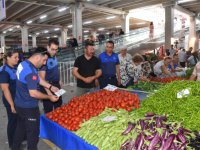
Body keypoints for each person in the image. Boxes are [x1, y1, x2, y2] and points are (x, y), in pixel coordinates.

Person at [12, 48, 59, 150]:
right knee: (33, 135)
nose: (44, 63)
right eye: (44, 60)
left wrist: (50, 87)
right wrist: (49, 97)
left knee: (20, 129)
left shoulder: (24, 64)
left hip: (19, 104)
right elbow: (33, 93)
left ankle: (14, 147)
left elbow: (38, 79)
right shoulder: (31, 71)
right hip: (29, 108)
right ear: (37, 57)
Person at [0, 50, 19, 148]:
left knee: (18, 120)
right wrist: (12, 104)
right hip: (10, 100)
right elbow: (5, 89)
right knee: (12, 121)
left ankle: (19, 138)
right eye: (15, 57)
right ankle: (12, 144)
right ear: (8, 58)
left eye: (18, 57)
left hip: (17, 99)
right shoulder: (4, 71)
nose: (17, 59)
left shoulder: (14, 68)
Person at [39, 39, 62, 113]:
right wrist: (49, 93)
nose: (54, 52)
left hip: (56, 85)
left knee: (59, 107)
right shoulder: (44, 59)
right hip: (47, 86)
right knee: (49, 110)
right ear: (47, 47)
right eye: (52, 49)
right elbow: (42, 79)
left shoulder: (54, 56)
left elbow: (56, 69)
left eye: (56, 49)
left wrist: (59, 80)